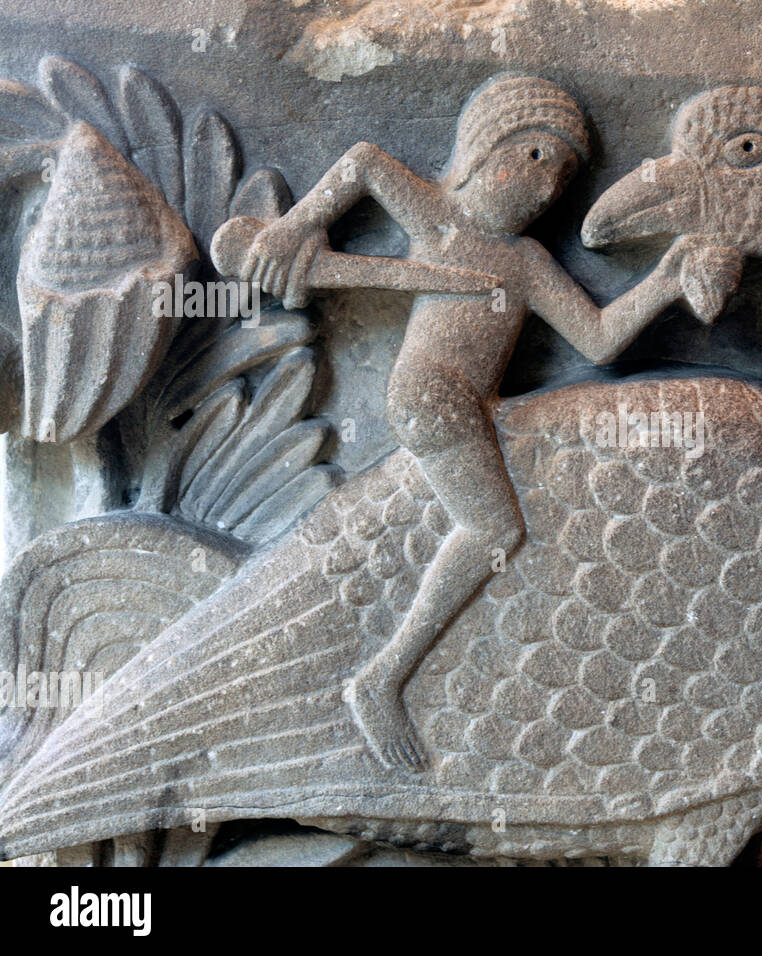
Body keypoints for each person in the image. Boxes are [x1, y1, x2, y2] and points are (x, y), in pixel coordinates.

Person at [238, 75, 733, 770]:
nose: (545, 187)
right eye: (533, 157)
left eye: (560, 176)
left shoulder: (527, 261)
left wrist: (664, 279)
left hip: (473, 403)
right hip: (429, 392)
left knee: (514, 502)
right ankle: (381, 678)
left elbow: (595, 340)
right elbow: (364, 162)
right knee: (494, 527)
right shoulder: (441, 218)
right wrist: (296, 226)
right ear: (481, 147)